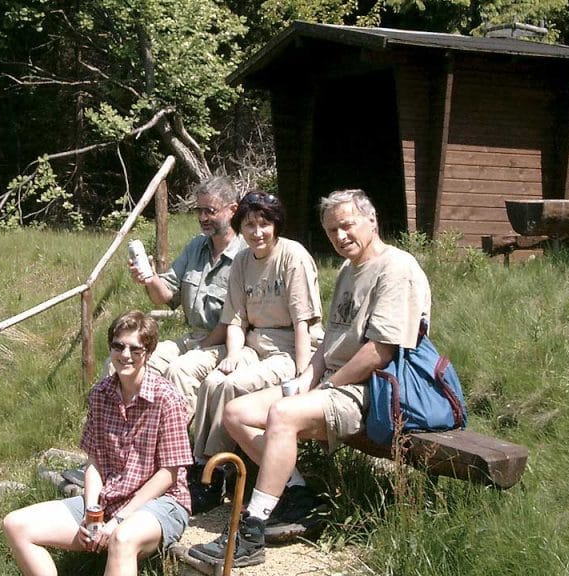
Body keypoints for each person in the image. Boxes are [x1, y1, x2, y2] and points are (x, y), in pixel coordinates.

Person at [189, 189, 432, 568]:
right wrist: (308, 377)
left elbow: (378, 352)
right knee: (236, 413)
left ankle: (250, 530)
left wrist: (326, 386)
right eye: (332, 230)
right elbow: (330, 341)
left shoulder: (397, 268)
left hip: (373, 389)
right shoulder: (350, 271)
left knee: (283, 415)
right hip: (335, 379)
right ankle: (298, 495)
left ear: (372, 220)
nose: (340, 236)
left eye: (347, 226)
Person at [4, 310, 193, 576]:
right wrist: (91, 516)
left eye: (135, 349)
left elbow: (168, 475)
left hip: (160, 503)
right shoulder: (100, 394)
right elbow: (93, 461)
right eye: (119, 346)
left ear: (148, 353)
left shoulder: (167, 399)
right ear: (111, 347)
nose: (125, 355)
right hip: (109, 498)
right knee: (16, 524)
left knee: (122, 539)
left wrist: (118, 519)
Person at [186, 190, 323, 514]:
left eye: (264, 224)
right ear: (241, 227)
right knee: (214, 381)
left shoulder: (293, 256)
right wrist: (232, 356)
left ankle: (214, 474)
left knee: (232, 386)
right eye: (249, 225)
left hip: (290, 348)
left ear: (275, 225)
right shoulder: (243, 261)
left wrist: (303, 378)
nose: (257, 232)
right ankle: (203, 465)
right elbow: (235, 320)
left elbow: (303, 323)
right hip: (254, 343)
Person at [127, 176, 246, 415]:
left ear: (233, 210)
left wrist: (201, 347)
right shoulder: (196, 247)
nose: (203, 218)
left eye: (210, 211)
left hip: (227, 342)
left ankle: (175, 444)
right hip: (193, 338)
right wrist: (150, 279)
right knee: (130, 358)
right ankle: (124, 431)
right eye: (199, 211)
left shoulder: (245, 254)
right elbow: (164, 297)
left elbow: (237, 318)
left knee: (179, 371)